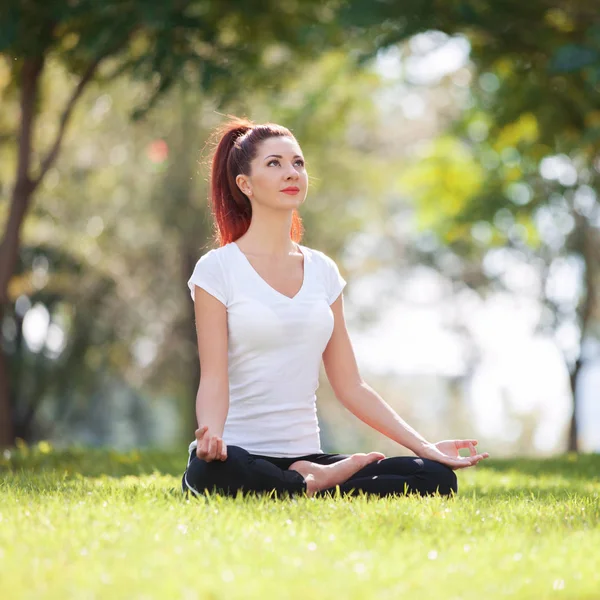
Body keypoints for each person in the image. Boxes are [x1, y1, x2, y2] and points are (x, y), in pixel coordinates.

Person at [181, 116, 489, 500]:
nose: (291, 172)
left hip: (309, 454)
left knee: (433, 478)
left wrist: (424, 447)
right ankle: (311, 484)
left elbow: (351, 386)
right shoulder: (217, 269)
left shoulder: (322, 271)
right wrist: (211, 435)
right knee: (212, 473)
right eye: (274, 164)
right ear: (245, 184)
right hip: (240, 455)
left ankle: (304, 481)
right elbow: (213, 377)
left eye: (298, 163)